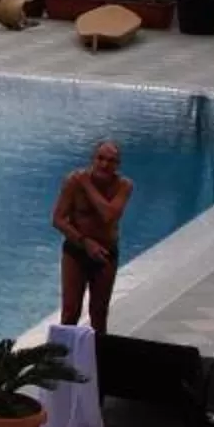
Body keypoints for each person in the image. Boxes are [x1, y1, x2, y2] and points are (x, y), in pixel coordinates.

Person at [54, 139, 132, 334]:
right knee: (70, 311)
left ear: (118, 165)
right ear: (93, 159)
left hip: (106, 253)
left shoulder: (124, 186)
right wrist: (85, 242)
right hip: (76, 251)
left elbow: (108, 216)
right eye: (100, 159)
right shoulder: (73, 182)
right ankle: (63, 361)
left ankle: (98, 360)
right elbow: (58, 219)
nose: (105, 165)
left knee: (99, 313)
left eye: (111, 161)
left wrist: (87, 183)